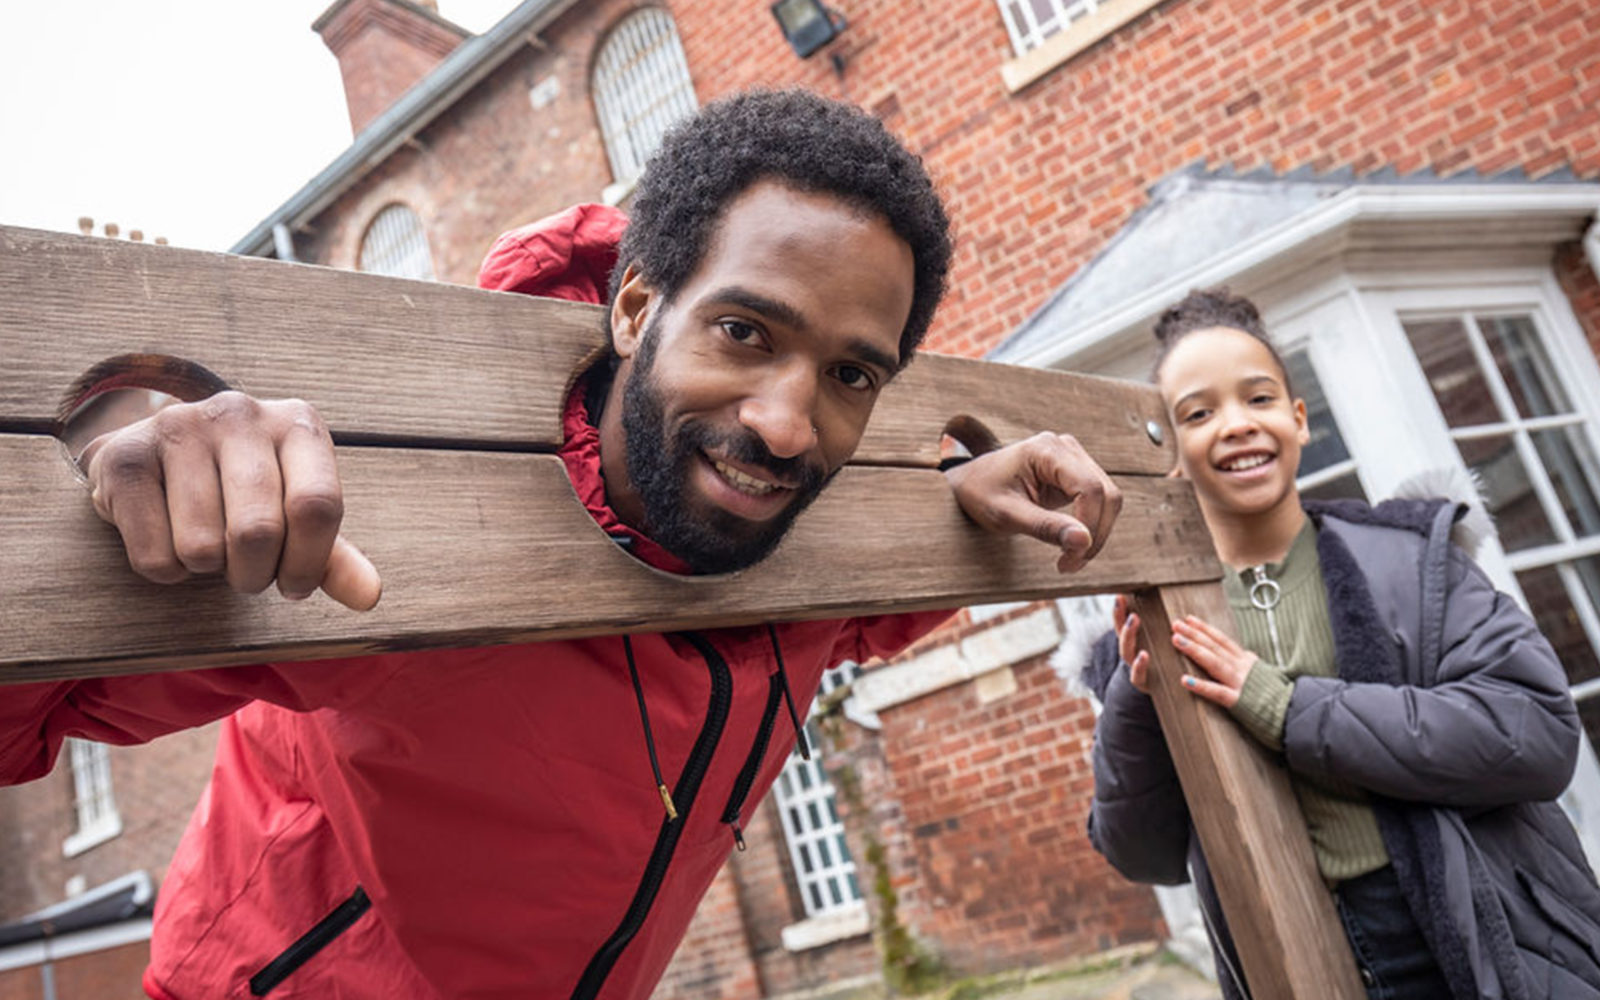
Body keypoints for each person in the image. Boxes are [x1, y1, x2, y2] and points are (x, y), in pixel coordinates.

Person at [0, 91, 1121, 1000]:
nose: (785, 423)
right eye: (743, 331)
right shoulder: (381, 540)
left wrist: (960, 497)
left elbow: (856, 615)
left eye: (849, 376)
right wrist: (95, 471)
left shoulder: (796, 543)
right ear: (635, 310)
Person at [1083, 287, 1600, 999]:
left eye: (1258, 399)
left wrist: (1289, 709)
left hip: (1478, 932)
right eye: (1198, 413)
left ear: (1298, 422)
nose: (1235, 425)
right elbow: (1145, 854)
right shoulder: (1152, 624)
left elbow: (1537, 734)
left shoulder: (1415, 562)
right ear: (1171, 454)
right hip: (1297, 957)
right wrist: (1135, 702)